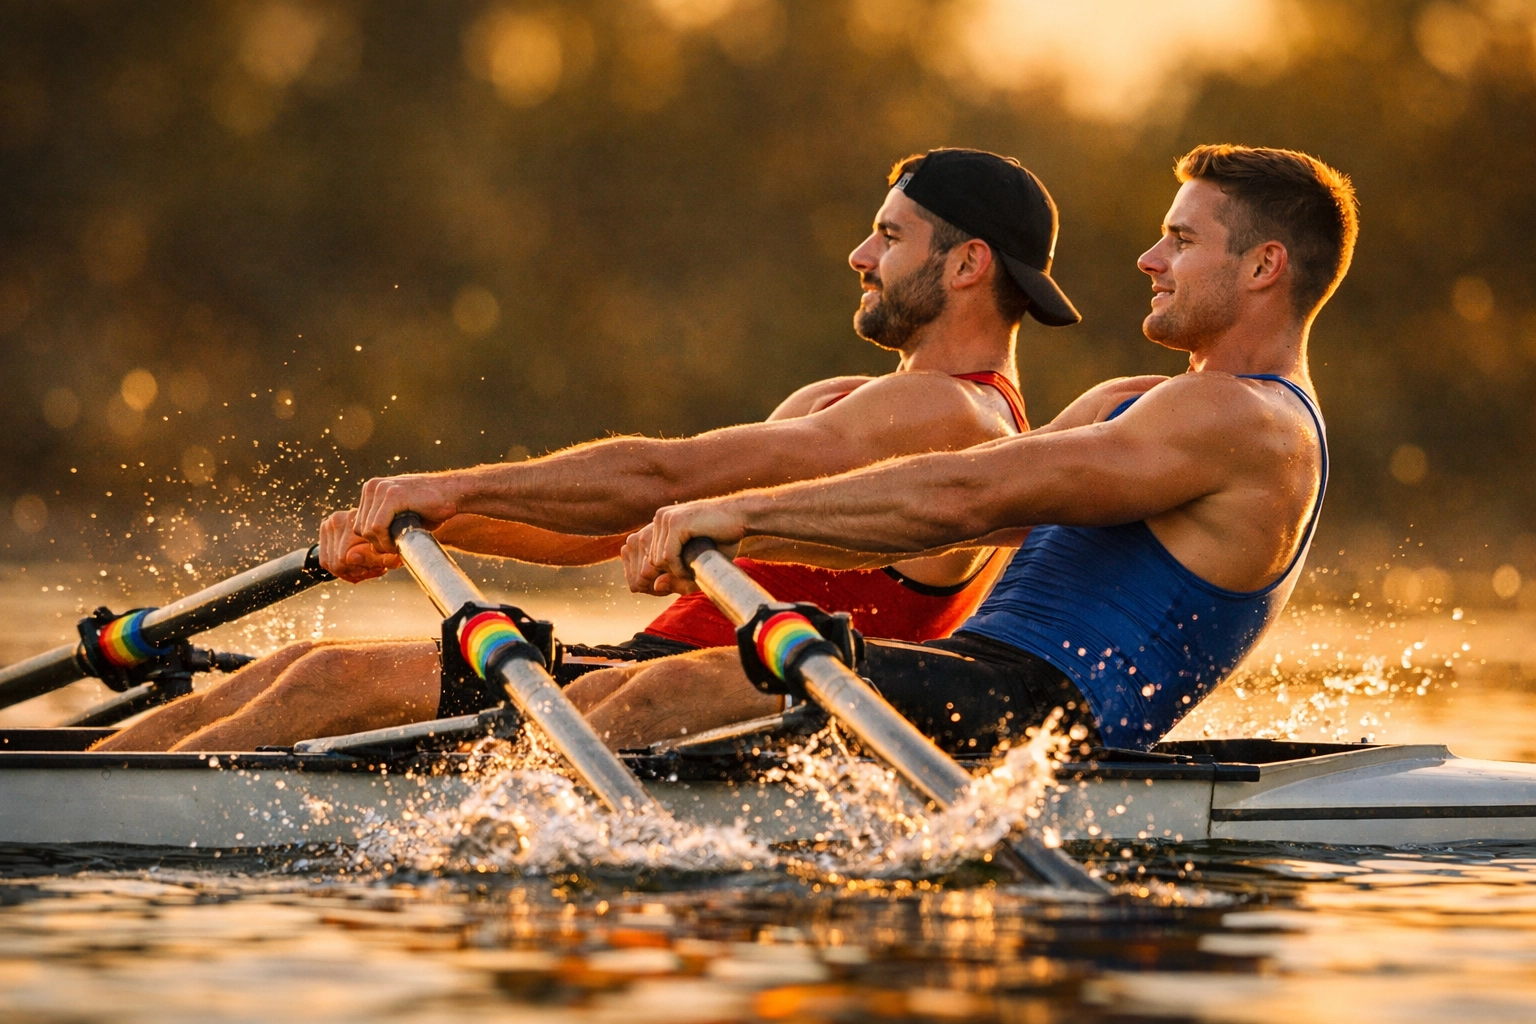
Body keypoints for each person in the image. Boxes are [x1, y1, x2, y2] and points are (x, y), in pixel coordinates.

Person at [97, 148, 1136, 753]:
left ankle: (80, 830)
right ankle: (73, 787)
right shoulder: (844, 398)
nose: (860, 255)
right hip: (642, 669)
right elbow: (615, 528)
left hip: (714, 710)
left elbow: (668, 475)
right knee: (298, 664)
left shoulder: (956, 419)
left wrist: (448, 483)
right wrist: (428, 525)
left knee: (323, 689)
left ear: (967, 265)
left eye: (888, 235)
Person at [610, 143, 1358, 754]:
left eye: (1182, 240)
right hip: (977, 678)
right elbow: (944, 519)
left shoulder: (1245, 417)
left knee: (677, 691)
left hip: (1049, 716)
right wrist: (745, 535)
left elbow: (971, 490)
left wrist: (738, 514)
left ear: (1264, 267)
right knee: (614, 693)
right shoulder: (1132, 402)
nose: (1148, 259)